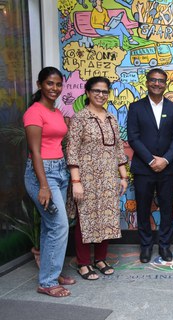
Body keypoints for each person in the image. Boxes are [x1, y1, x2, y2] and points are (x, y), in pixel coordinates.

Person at [67, 77, 128, 280]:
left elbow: (119, 148)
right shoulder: (80, 118)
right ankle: (83, 263)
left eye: (104, 91)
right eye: (96, 91)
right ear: (88, 92)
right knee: (85, 219)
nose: (101, 95)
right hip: (86, 179)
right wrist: (76, 182)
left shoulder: (111, 118)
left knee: (107, 218)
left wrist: (123, 176)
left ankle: (100, 259)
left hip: (109, 178)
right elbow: (72, 150)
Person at [23, 67, 75, 297]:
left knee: (49, 226)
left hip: (60, 171)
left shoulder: (55, 111)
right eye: (49, 84)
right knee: (59, 225)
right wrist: (43, 185)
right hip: (42, 174)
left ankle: (50, 272)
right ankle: (47, 282)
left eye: (58, 84)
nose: (54, 88)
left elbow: (57, 141)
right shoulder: (34, 112)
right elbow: (35, 152)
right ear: (39, 84)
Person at [127, 68, 173, 263]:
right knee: (143, 209)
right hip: (143, 168)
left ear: (165, 83)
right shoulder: (136, 107)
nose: (157, 83)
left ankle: (165, 246)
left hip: (167, 169)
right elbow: (133, 138)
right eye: (153, 80)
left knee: (167, 208)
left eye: (160, 81)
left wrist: (165, 160)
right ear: (147, 82)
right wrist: (151, 160)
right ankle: (146, 247)